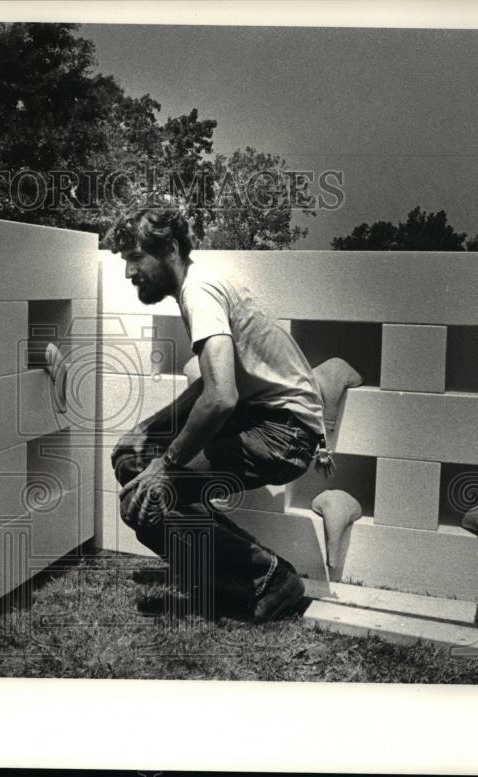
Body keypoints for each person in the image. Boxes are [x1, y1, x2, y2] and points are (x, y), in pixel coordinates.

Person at [104, 207, 329, 622]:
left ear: (169, 248)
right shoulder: (200, 287)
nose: (129, 272)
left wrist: (165, 467)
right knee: (131, 460)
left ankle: (268, 579)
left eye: (135, 258)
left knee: (149, 494)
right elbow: (214, 385)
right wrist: (147, 430)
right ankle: (250, 574)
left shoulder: (200, 292)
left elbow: (221, 398)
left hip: (283, 434)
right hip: (266, 420)